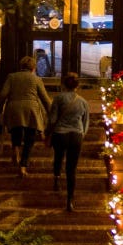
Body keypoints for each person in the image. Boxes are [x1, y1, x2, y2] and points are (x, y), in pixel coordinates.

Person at [0, 55, 52, 176]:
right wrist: (51, 114)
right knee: (29, 139)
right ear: (34, 68)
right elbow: (45, 99)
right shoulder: (36, 79)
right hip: (31, 110)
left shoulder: (11, 77)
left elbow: (3, 95)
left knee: (16, 130)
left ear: (21, 66)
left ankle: (16, 149)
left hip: (14, 108)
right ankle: (23, 166)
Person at [47, 72, 89, 212]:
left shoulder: (58, 98)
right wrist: (81, 134)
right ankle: (69, 200)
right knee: (71, 169)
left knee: (58, 157)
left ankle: (57, 178)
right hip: (76, 135)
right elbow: (85, 122)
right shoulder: (83, 102)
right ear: (77, 85)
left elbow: (53, 119)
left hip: (60, 133)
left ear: (63, 84)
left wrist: (47, 132)